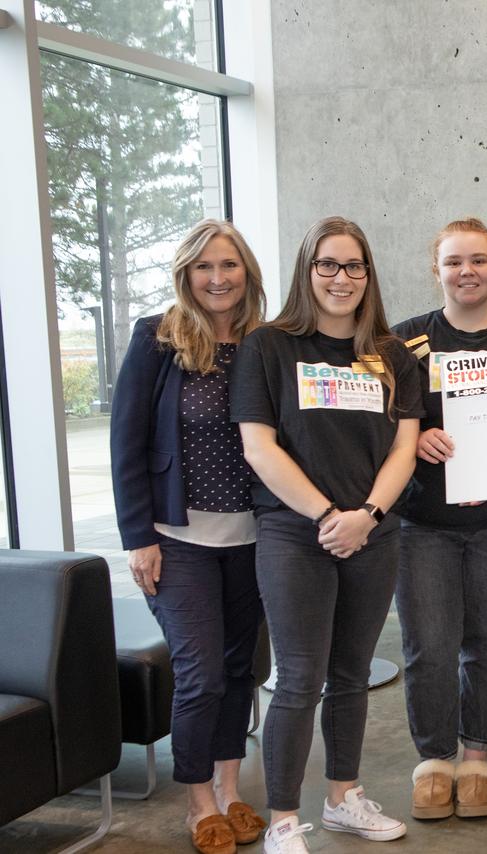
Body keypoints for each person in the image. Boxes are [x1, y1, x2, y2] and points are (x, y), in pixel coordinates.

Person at [230, 216, 423, 854]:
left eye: (355, 267)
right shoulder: (268, 347)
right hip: (294, 533)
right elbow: (259, 448)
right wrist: (325, 516)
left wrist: (365, 514)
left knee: (351, 673)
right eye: (328, 265)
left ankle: (343, 797)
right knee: (300, 675)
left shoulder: (394, 354)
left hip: (374, 531)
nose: (342, 279)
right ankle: (282, 819)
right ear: (307, 271)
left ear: (369, 276)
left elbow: (405, 448)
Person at [111, 219, 268, 854]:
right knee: (200, 673)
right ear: (186, 274)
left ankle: (230, 790)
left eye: (229, 265)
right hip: (176, 539)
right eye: (205, 267)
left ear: (246, 273)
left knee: (237, 671)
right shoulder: (157, 338)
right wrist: (136, 535)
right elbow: (126, 438)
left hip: (256, 538)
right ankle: (198, 798)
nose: (218, 278)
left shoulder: (266, 343)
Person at [391, 218, 487, 819]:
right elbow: (378, 426)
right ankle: (433, 759)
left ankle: (477, 757)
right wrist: (417, 435)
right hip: (424, 522)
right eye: (454, 262)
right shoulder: (404, 344)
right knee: (427, 645)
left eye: (479, 260)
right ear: (437, 270)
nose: (467, 272)